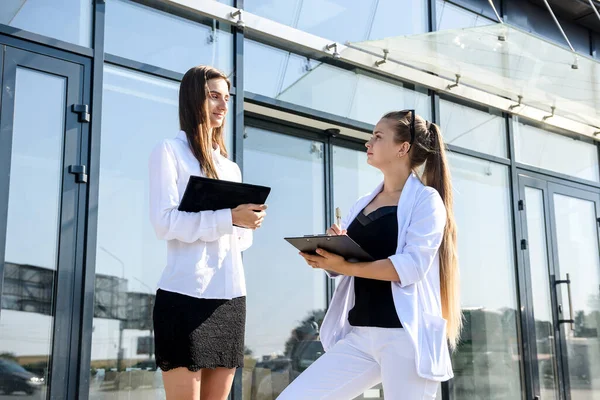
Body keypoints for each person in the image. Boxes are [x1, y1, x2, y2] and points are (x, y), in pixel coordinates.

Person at [277, 110, 461, 400]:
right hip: (361, 336)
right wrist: (331, 254)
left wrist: (346, 266)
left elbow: (411, 268)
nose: (368, 143)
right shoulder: (364, 202)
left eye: (377, 136)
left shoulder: (427, 201)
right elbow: (350, 264)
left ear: (403, 148)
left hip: (405, 338)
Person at [148, 65, 267, 400]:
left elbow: (241, 241)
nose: (222, 106)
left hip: (229, 297)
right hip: (183, 294)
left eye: (225, 98)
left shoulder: (230, 168)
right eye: (214, 96)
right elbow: (164, 223)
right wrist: (229, 216)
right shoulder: (168, 152)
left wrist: (248, 222)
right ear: (192, 99)